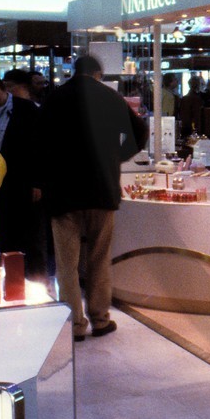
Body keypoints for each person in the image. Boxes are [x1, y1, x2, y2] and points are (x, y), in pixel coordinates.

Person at [39, 55, 147, 342]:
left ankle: (75, 324)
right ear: (98, 73)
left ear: (74, 71)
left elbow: (38, 144)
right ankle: (100, 319)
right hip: (102, 189)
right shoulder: (111, 97)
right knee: (99, 258)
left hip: (63, 193)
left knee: (67, 264)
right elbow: (141, 131)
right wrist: (117, 158)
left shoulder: (55, 98)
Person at [0, 71, 47, 277]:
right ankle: (8, 281)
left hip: (23, 183)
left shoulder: (27, 110)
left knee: (30, 237)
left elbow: (39, 146)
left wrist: (37, 182)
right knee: (3, 236)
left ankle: (36, 282)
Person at [177, 74, 207, 139]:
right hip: (194, 129)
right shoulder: (197, 99)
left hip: (186, 128)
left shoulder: (184, 99)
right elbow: (197, 116)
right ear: (198, 85)